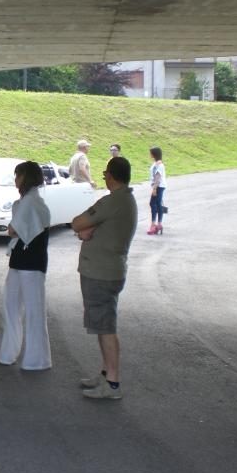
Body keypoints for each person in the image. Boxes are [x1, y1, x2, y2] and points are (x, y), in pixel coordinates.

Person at [70, 156, 137, 400]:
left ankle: (113, 383)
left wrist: (86, 230)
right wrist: (87, 230)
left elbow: (78, 223)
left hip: (101, 273)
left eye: (105, 173)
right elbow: (83, 227)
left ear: (110, 175)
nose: (104, 177)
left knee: (106, 328)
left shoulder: (112, 202)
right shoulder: (125, 201)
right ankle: (106, 372)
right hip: (107, 270)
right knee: (102, 325)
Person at [0, 161, 52, 371]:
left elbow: (13, 229)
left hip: (31, 263)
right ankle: (11, 353)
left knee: (30, 310)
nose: (15, 180)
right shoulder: (28, 201)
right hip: (22, 260)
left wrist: (12, 227)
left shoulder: (30, 202)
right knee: (16, 308)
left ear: (25, 178)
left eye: (17, 175)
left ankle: (36, 359)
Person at [147, 146, 167, 235]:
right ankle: (158, 224)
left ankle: (154, 224)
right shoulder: (156, 163)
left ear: (154, 154)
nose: (149, 154)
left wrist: (155, 188)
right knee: (157, 204)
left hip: (158, 186)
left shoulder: (159, 164)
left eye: (151, 153)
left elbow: (158, 177)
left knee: (153, 203)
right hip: (158, 186)